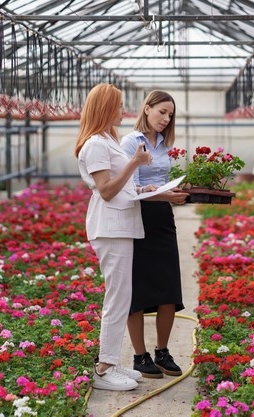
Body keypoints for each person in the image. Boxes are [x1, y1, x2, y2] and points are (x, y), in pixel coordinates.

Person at [74, 83, 156, 391]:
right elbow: (106, 191)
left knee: (122, 296)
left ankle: (111, 360)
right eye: (119, 105)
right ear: (106, 109)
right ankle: (104, 368)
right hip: (110, 227)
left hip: (120, 225)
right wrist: (135, 163)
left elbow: (117, 186)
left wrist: (141, 189)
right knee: (117, 297)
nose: (123, 111)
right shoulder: (96, 143)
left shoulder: (108, 140)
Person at [121, 90, 189, 378]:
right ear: (146, 109)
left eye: (170, 114)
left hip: (162, 219)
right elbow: (128, 187)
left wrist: (178, 193)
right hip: (137, 218)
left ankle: (162, 351)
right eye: (162, 111)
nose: (166, 118)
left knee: (168, 287)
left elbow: (162, 182)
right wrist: (159, 194)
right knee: (136, 289)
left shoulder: (164, 145)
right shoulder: (129, 142)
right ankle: (140, 356)